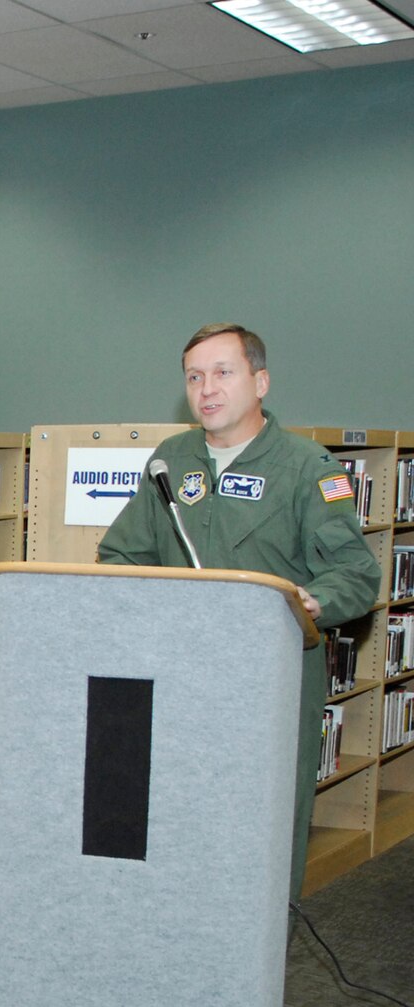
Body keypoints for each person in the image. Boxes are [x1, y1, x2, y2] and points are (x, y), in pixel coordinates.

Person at [99, 323, 381, 900]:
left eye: (223, 373)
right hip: (173, 673)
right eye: (195, 376)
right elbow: (121, 552)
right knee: (169, 822)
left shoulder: (308, 468)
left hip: (268, 678)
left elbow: (355, 574)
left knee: (261, 833)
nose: (207, 388)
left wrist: (311, 599)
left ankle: (254, 966)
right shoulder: (170, 460)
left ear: (261, 381)